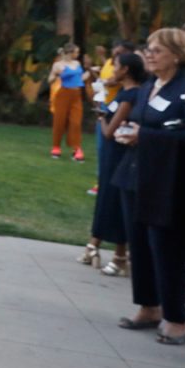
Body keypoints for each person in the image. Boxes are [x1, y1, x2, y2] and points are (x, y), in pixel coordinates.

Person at [114, 29, 185, 347]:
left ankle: (176, 319)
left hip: (170, 182)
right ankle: (148, 307)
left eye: (156, 50)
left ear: (177, 54)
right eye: (147, 49)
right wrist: (129, 133)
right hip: (135, 176)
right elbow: (142, 122)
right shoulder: (149, 85)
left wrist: (145, 138)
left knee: (166, 249)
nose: (148, 55)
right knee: (140, 245)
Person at [75, 52, 145, 276]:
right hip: (111, 155)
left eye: (115, 66)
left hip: (118, 155)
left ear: (125, 70)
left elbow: (108, 132)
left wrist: (101, 119)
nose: (112, 70)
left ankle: (119, 254)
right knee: (107, 198)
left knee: (114, 201)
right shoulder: (123, 92)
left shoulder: (131, 95)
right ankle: (100, 247)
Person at [86, 41, 135, 196]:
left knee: (110, 144)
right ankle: (101, 181)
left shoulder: (127, 75)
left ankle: (105, 183)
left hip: (116, 106)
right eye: (114, 52)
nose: (115, 57)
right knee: (102, 147)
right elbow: (103, 79)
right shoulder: (108, 62)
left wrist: (104, 82)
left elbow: (113, 81)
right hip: (106, 104)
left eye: (119, 53)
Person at [48, 43, 89, 161]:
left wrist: (90, 72)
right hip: (63, 94)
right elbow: (50, 79)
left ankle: (76, 148)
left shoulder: (77, 63)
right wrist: (56, 74)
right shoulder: (58, 65)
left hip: (76, 95)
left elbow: (79, 78)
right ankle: (56, 146)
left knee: (76, 122)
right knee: (59, 121)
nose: (78, 54)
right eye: (77, 52)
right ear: (70, 53)